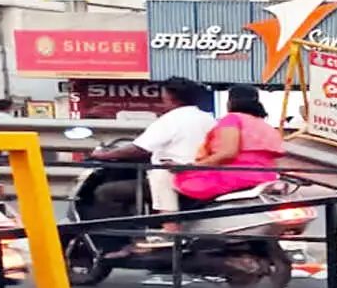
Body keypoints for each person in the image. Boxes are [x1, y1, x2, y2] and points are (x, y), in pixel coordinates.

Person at [89, 77, 216, 217]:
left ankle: (121, 236)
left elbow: (139, 149)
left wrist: (103, 155)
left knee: (106, 192)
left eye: (164, 95)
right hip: (203, 176)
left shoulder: (171, 119)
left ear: (171, 97)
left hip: (173, 177)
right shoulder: (209, 119)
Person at [175, 85, 287, 202]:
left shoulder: (232, 119)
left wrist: (194, 166)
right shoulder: (265, 126)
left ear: (230, 102)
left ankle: (168, 218)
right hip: (266, 176)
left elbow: (228, 153)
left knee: (170, 179)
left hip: (235, 175)